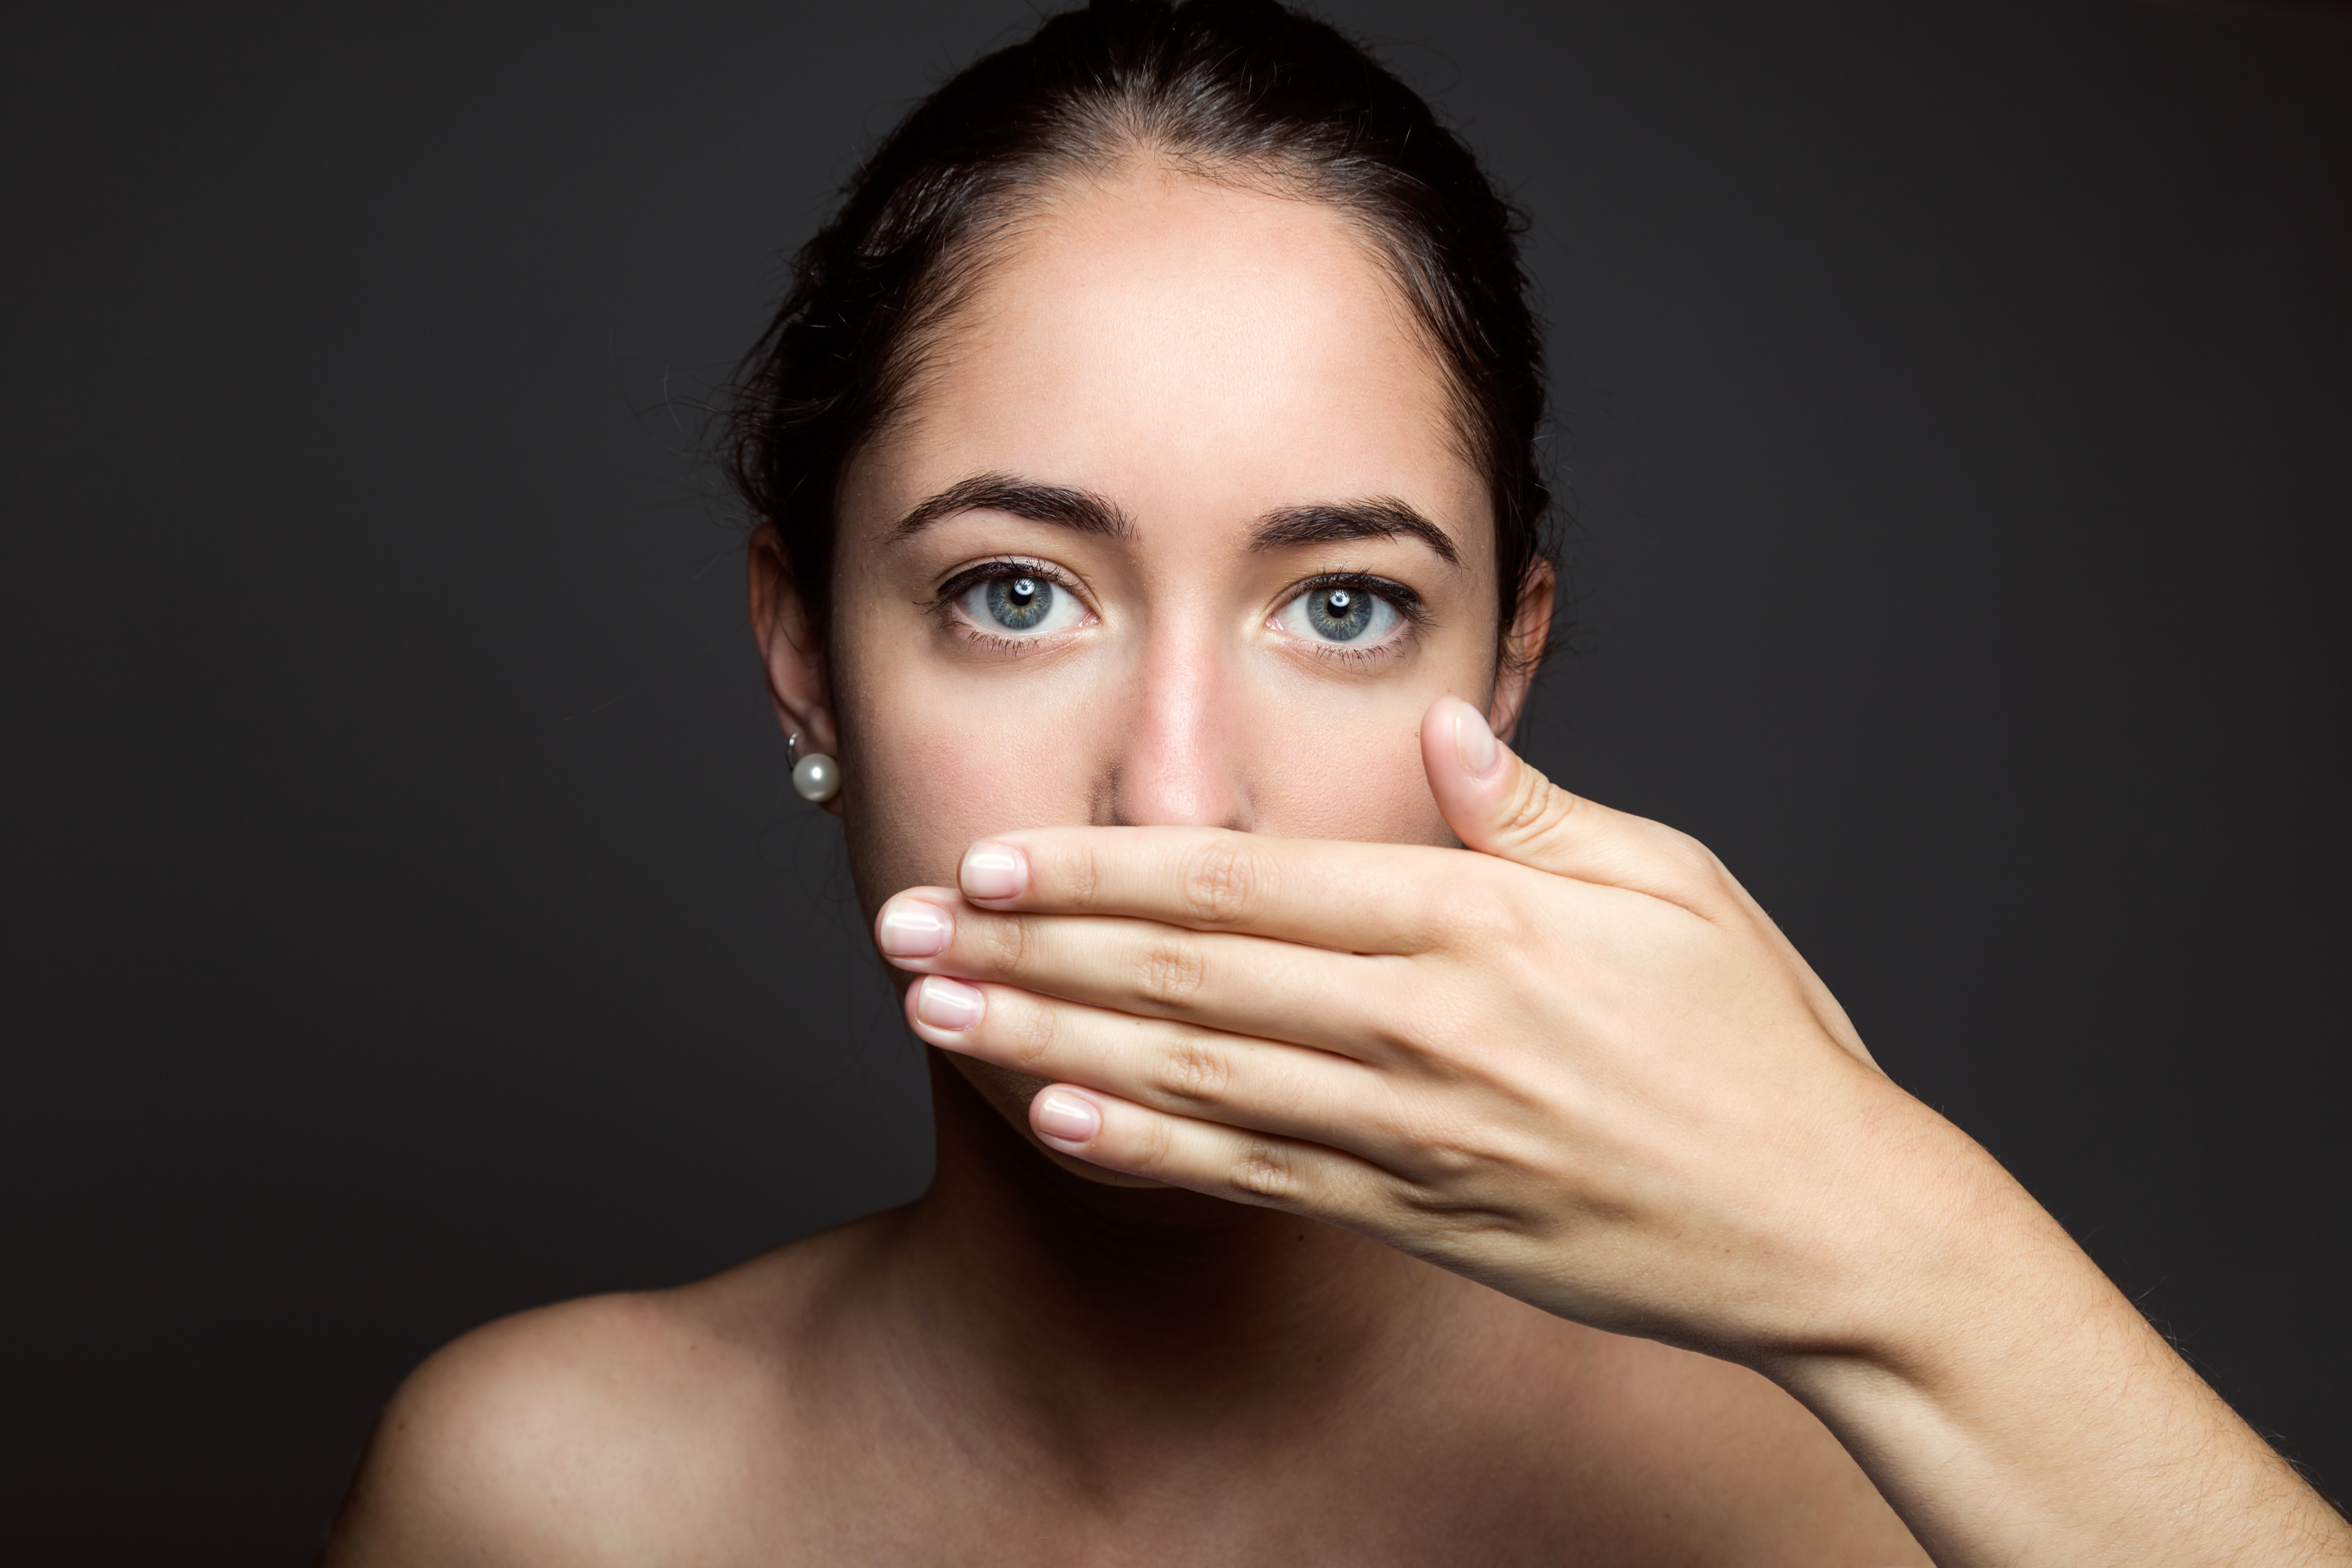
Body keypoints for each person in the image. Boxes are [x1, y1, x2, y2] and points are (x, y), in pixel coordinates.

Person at [318, 2, 2352, 1563]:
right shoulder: (546, 1495)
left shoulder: (1829, 1500)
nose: (1176, 795)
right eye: (1016, 592)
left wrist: (1906, 1243)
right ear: (802, 651)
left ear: (1509, 663)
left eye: (1345, 608)